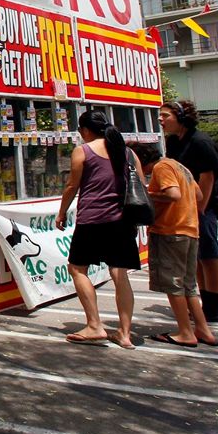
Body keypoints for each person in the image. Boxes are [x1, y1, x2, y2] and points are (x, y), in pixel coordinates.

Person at [54, 110, 141, 349]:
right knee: (119, 274)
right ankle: (124, 333)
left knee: (77, 268)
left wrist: (61, 213)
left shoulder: (83, 151)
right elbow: (140, 185)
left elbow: (72, 185)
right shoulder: (128, 153)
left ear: (85, 130)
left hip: (92, 220)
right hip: (122, 222)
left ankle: (94, 325)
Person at [129, 143, 218, 347]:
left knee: (174, 284)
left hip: (170, 232)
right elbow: (197, 195)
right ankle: (203, 329)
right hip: (190, 229)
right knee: (189, 285)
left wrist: (146, 194)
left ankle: (185, 332)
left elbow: (173, 194)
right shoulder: (180, 167)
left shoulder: (162, 168)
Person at [160, 100, 218, 323]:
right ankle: (203, 304)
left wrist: (199, 209)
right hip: (187, 205)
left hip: (204, 206)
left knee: (208, 255)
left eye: (166, 116)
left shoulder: (201, 142)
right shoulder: (173, 142)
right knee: (195, 256)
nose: (161, 120)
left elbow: (208, 178)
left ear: (181, 117)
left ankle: (214, 309)